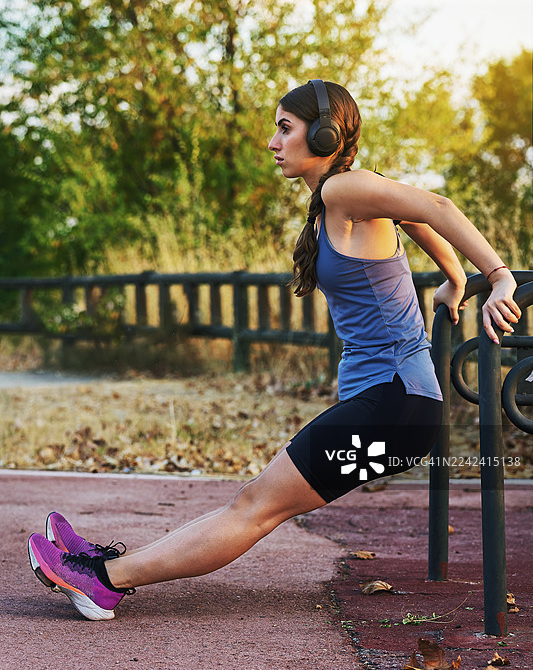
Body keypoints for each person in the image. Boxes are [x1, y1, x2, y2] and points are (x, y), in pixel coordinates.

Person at [28, 79, 521, 621]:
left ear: (326, 133)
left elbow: (436, 206)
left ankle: (102, 581)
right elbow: (415, 217)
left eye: (285, 128)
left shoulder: (341, 191)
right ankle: (102, 570)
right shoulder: (345, 195)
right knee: (254, 505)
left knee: (253, 509)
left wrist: (496, 277)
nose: (272, 142)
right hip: (394, 412)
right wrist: (452, 276)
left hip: (394, 410)